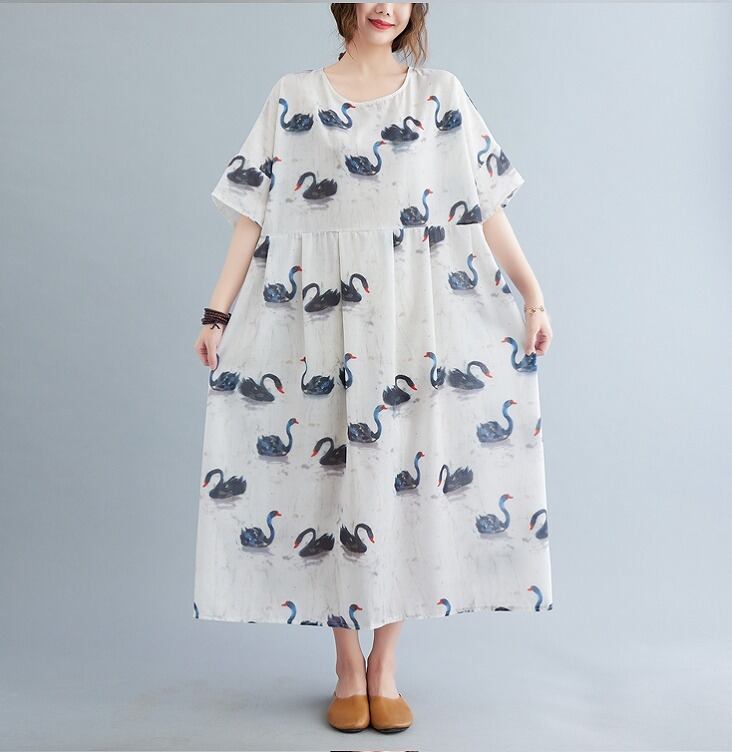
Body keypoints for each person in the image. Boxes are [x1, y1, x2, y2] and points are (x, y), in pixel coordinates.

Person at [192, 2, 554, 734]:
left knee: (404, 483)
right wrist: (217, 311)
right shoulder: (294, 95)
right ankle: (345, 662)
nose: (385, 4)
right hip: (314, 328)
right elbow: (253, 213)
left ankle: (384, 665)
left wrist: (533, 294)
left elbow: (483, 206)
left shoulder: (440, 95)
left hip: (413, 328)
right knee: (327, 484)